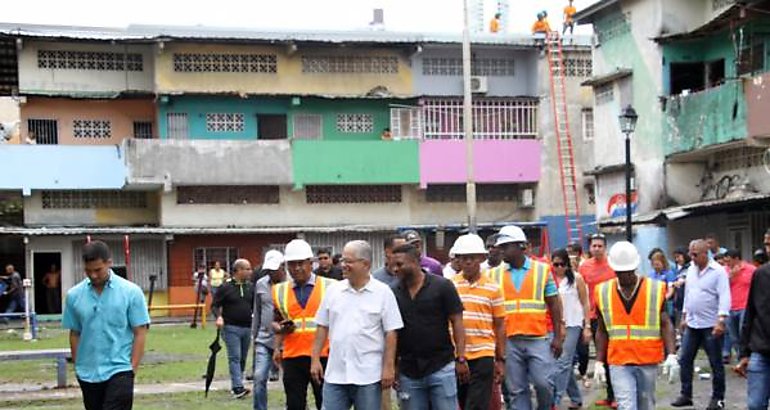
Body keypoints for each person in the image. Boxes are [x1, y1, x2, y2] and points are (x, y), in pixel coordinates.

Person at [310, 240, 403, 409]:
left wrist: (389, 368)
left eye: (349, 261)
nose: (343, 265)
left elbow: (391, 332)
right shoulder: (333, 291)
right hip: (336, 374)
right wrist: (315, 359)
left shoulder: (383, 293)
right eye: (343, 261)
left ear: (365, 264)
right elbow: (322, 326)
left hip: (368, 375)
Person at [61, 240, 150, 410]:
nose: (93, 275)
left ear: (109, 263)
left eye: (98, 270)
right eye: (88, 271)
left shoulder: (131, 292)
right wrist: (78, 366)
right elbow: (75, 333)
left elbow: (140, 331)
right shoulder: (74, 295)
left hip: (120, 369)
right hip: (88, 373)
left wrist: (132, 369)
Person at [487, 225, 563, 410]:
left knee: (544, 384)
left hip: (537, 338)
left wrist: (559, 336)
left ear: (520, 246)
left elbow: (554, 304)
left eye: (506, 247)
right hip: (509, 340)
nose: (501, 251)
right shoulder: (494, 274)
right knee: (516, 390)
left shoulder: (542, 270)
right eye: (500, 247)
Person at [594, 241, 678, 410]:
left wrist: (672, 354)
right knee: (627, 406)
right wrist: (598, 361)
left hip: (647, 359)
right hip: (619, 360)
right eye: (620, 272)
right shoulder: (602, 291)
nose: (624, 276)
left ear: (635, 267)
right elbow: (602, 330)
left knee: (646, 405)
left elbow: (665, 322)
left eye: (627, 272)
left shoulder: (654, 289)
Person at [390, 243, 467, 410]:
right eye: (392, 265)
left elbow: (457, 322)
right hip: (408, 372)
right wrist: (393, 366)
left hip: (441, 366)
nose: (395, 269)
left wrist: (461, 357)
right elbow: (392, 332)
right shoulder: (392, 292)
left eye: (399, 264)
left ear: (416, 262)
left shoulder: (443, 286)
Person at [273, 239, 337, 410]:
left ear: (310, 263)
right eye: (292, 264)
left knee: (325, 403)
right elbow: (276, 320)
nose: (296, 268)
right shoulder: (279, 290)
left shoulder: (331, 287)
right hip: (293, 356)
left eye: (301, 263)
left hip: (324, 355)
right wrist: (277, 343)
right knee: (294, 405)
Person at [671, 239, 731, 410]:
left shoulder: (718, 272)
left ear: (705, 253)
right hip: (693, 323)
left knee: (715, 363)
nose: (692, 257)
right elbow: (688, 294)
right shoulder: (691, 270)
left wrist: (721, 320)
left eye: (695, 254)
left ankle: (718, 398)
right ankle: (686, 394)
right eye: (690, 253)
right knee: (685, 359)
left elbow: (724, 297)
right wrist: (684, 316)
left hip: (711, 324)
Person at [448, 234, 506, 410]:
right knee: (461, 402)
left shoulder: (493, 288)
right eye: (464, 258)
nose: (468, 262)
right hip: (457, 355)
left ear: (481, 259)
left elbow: (499, 325)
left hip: (483, 354)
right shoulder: (450, 286)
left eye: (472, 258)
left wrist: (500, 359)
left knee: (477, 405)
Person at [579, 233, 618, 407]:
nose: (596, 249)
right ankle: (610, 396)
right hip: (594, 317)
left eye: (599, 246)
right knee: (602, 356)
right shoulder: (584, 267)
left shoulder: (613, 265)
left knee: (614, 355)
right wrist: (585, 320)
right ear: (589, 248)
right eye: (593, 246)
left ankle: (617, 395)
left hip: (613, 316)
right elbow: (582, 294)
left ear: (605, 248)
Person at [551, 248, 591, 409]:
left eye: (562, 264)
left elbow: (585, 302)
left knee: (563, 362)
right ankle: (576, 398)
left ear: (567, 264)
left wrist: (587, 325)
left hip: (574, 322)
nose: (559, 267)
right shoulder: (550, 279)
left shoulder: (576, 279)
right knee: (562, 363)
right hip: (556, 324)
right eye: (556, 264)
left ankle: (555, 399)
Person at [735, 228, 770, 410]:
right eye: (766, 244)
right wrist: (743, 352)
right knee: (756, 405)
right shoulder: (761, 274)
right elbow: (751, 313)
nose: (768, 249)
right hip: (761, 351)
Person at [213, 258, 255, 399]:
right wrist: (219, 317)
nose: (250, 272)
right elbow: (215, 305)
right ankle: (237, 387)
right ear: (238, 270)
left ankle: (238, 383)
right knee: (235, 357)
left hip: (247, 327)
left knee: (242, 357)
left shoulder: (251, 287)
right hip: (231, 327)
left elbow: (255, 305)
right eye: (247, 269)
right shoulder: (225, 287)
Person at [251, 250, 285, 410]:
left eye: (275, 270)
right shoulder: (261, 284)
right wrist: (254, 335)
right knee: (259, 377)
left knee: (292, 382)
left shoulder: (290, 285)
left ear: (282, 268)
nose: (272, 273)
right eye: (269, 270)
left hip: (287, 341)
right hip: (264, 339)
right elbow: (257, 311)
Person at [721, 249, 756, 364]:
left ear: (736, 259)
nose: (727, 264)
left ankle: (746, 357)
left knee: (743, 333)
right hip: (730, 307)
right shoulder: (724, 271)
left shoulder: (750, 269)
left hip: (745, 306)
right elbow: (720, 288)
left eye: (729, 261)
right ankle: (740, 357)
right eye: (725, 262)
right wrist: (730, 276)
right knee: (733, 335)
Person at [648, 251, 676, 319]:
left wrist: (662, 299)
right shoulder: (651, 274)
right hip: (653, 305)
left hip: (666, 304)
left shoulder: (669, 274)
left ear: (663, 263)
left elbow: (671, 290)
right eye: (653, 265)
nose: (655, 267)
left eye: (657, 264)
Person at [671, 247, 691, 329]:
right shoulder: (679, 270)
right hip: (679, 303)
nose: (677, 260)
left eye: (678, 257)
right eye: (675, 258)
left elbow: (683, 280)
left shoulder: (690, 268)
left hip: (687, 303)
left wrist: (680, 282)